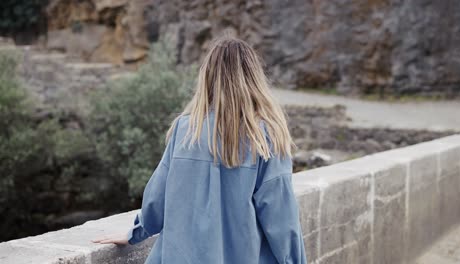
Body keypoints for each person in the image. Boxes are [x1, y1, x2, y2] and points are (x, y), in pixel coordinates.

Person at [92, 36, 307, 264]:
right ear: (254, 78)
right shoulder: (265, 137)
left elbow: (158, 198)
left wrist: (135, 233)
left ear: (207, 77)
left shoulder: (185, 129)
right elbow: (281, 218)